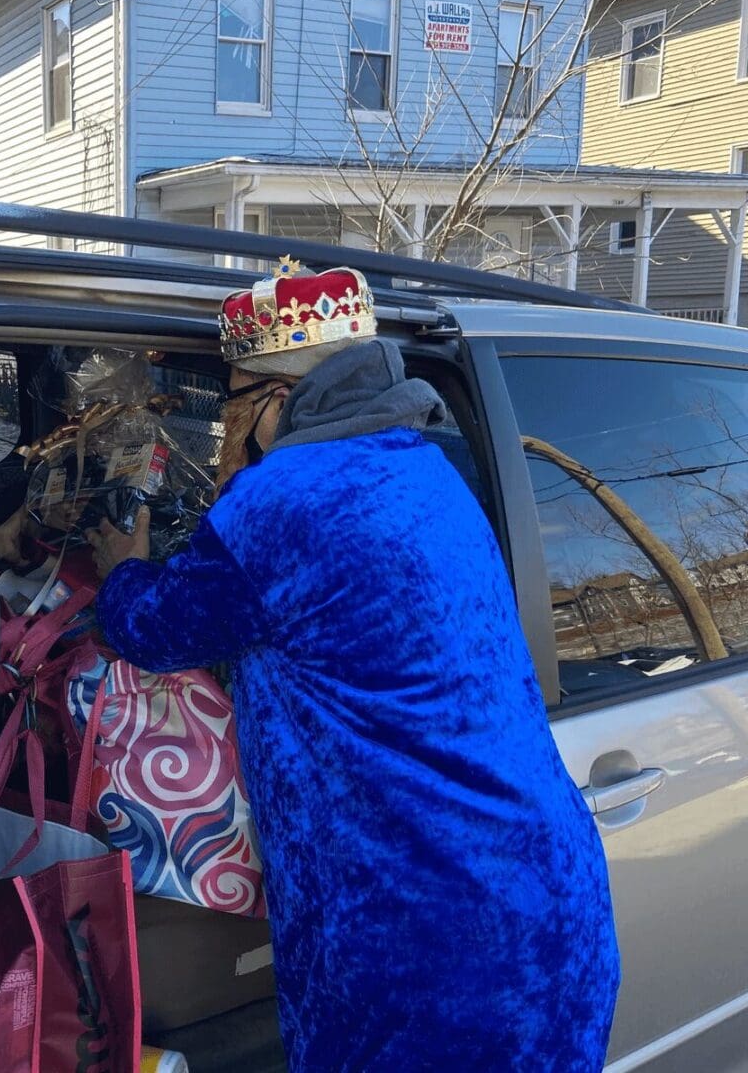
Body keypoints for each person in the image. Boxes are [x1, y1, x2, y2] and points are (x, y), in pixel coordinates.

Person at [87, 263, 620, 1070]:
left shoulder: (282, 501)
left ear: (273, 398)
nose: (223, 426)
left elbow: (153, 631)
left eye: (230, 401)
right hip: (547, 895)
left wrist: (121, 562)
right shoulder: (427, 470)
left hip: (422, 935)